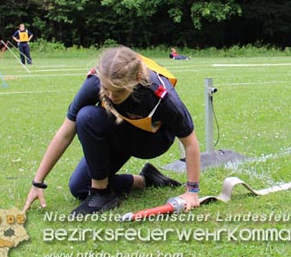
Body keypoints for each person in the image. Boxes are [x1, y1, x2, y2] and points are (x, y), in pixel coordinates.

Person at [22, 46, 201, 215]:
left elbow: (190, 142)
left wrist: (192, 191)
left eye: (119, 92)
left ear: (138, 78)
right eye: (106, 90)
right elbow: (65, 132)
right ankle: (146, 179)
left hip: (153, 140)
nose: (112, 97)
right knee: (80, 187)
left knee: (87, 116)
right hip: (120, 128)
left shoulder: (161, 96)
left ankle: (102, 194)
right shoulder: (95, 82)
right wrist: (38, 182)